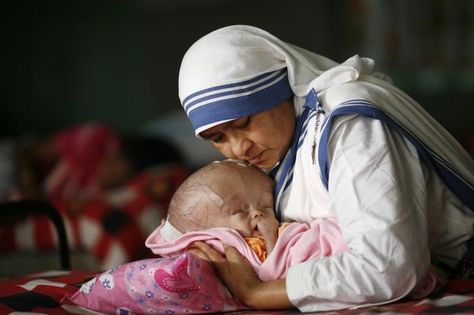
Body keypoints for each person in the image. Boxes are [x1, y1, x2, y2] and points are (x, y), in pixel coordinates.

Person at [176, 25, 474, 312]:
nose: (239, 148)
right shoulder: (288, 151)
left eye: (243, 124)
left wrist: (257, 292)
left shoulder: (349, 124)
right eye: (218, 138)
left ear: (278, 91)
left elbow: (388, 267)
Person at [146, 159, 349, 282]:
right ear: (210, 231)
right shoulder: (230, 249)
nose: (257, 214)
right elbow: (271, 273)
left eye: (266, 205)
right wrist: (271, 237)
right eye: (239, 211)